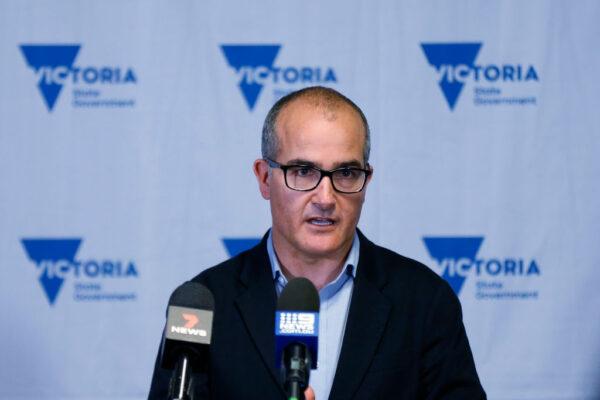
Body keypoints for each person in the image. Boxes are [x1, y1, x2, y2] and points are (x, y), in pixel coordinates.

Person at [148, 86, 486, 399]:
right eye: (303, 171)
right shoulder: (202, 304)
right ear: (265, 178)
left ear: (366, 181)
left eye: (346, 173)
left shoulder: (424, 300)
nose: (325, 197)